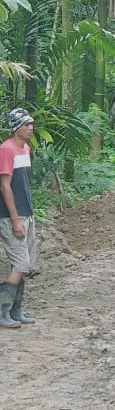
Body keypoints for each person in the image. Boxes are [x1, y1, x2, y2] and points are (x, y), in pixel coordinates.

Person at [0, 108, 38, 329]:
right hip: (11, 215)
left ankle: (15, 310)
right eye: (26, 125)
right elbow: (5, 186)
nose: (31, 128)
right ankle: (3, 312)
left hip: (27, 212)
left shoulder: (26, 149)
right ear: (16, 128)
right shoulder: (6, 149)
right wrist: (15, 219)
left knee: (23, 264)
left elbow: (23, 185)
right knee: (21, 264)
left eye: (31, 124)